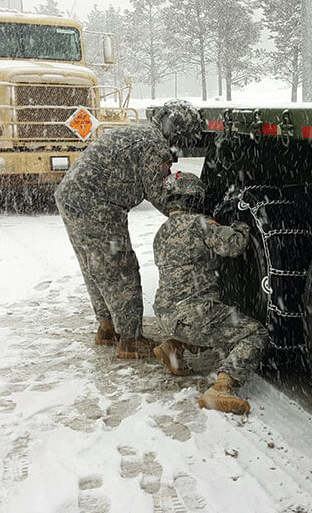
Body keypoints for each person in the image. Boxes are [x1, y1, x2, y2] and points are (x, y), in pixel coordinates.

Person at [54, 99, 203, 359]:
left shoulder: (140, 132)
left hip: (72, 196)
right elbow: (159, 193)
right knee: (119, 269)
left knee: (96, 265)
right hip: (96, 203)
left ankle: (108, 327)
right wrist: (189, 211)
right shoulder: (155, 146)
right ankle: (130, 340)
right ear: (177, 131)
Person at [151, 172, 269, 415]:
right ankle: (221, 388)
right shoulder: (200, 224)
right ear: (195, 198)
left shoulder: (161, 232)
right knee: (254, 333)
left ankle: (173, 347)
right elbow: (234, 245)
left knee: (199, 324)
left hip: (166, 314)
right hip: (195, 315)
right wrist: (240, 225)